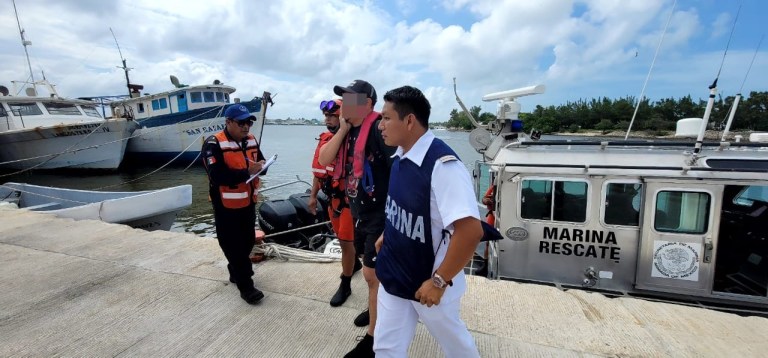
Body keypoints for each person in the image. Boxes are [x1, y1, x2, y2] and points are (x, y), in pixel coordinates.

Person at [374, 86, 482, 357]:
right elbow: (404, 207)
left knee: (455, 345)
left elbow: (470, 231)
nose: (380, 126)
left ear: (409, 121)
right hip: (396, 273)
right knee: (385, 347)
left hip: (430, 281)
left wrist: (439, 282)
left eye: (386, 118)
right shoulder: (400, 157)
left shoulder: (444, 166)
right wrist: (389, 234)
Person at [317, 79, 396, 358]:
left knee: (372, 275)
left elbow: (400, 171)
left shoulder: (378, 129)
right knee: (371, 274)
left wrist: (394, 222)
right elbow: (325, 159)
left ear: (367, 105)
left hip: (380, 215)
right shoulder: (348, 131)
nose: (343, 105)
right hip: (360, 212)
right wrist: (344, 128)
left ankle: (372, 342)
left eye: (350, 100)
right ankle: (376, 308)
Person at [202, 104, 267, 305]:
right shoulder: (213, 144)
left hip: (248, 202)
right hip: (225, 205)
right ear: (228, 122)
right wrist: (248, 171)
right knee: (232, 244)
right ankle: (245, 285)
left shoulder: (251, 141)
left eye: (248, 122)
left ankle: (235, 269)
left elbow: (260, 162)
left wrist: (262, 167)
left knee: (247, 241)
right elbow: (217, 175)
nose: (246, 127)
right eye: (241, 123)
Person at [308, 98, 362, 307]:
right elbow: (318, 172)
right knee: (340, 239)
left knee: (347, 243)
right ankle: (354, 264)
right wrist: (313, 197)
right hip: (332, 201)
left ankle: (345, 283)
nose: (328, 119)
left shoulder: (357, 141)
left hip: (349, 202)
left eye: (333, 115)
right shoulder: (324, 140)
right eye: (326, 116)